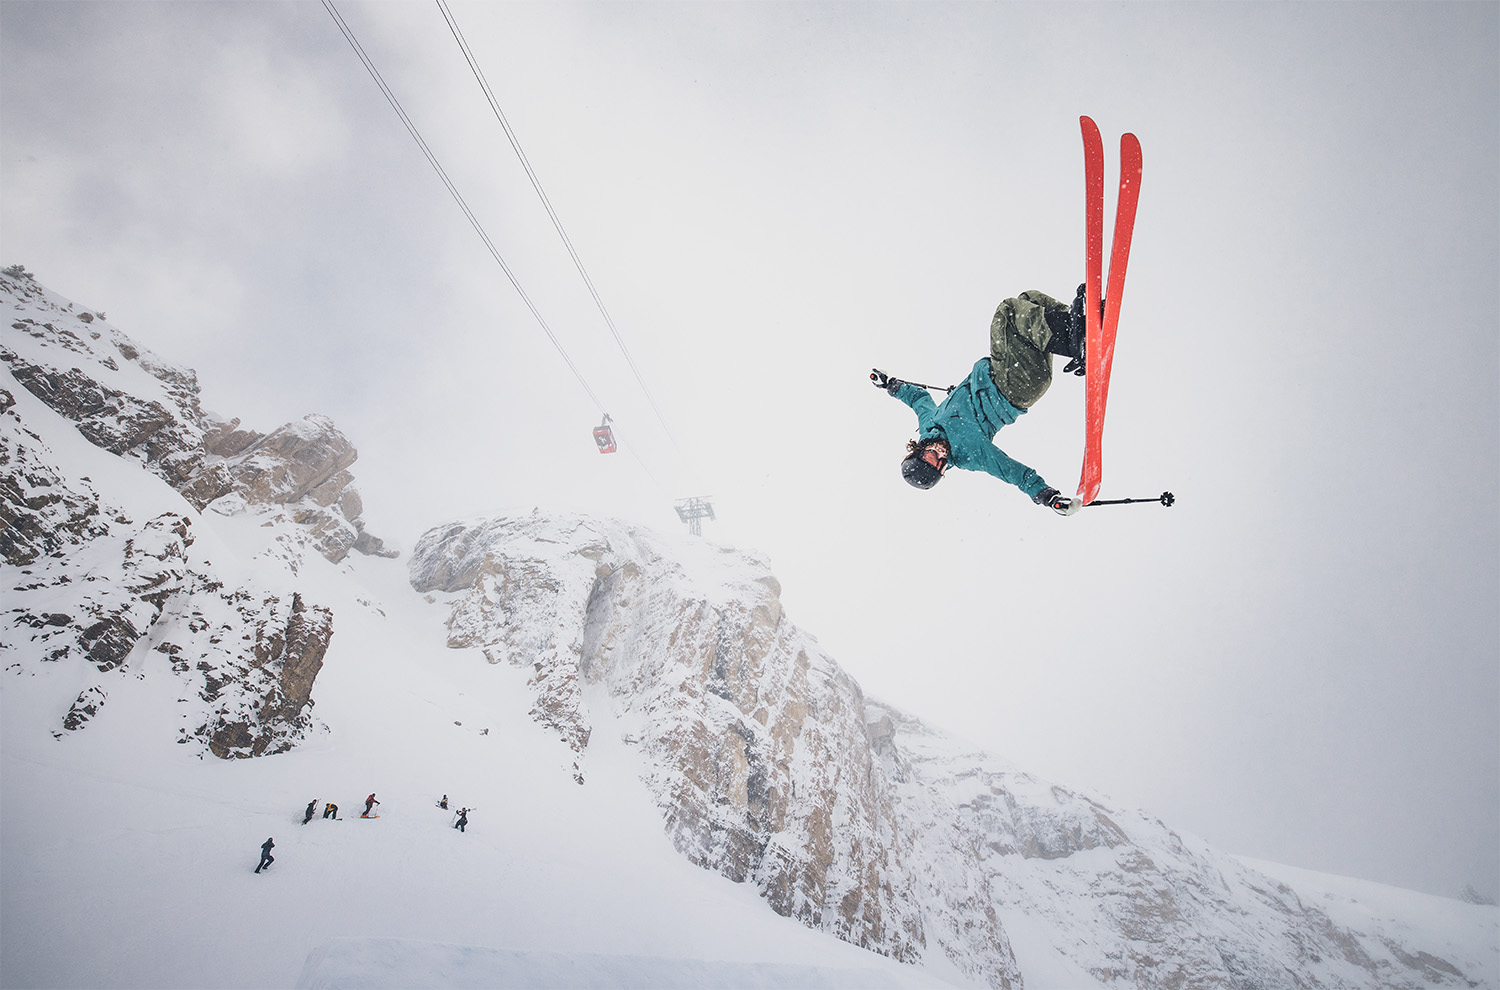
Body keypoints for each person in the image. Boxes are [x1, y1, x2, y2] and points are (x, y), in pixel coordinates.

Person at [874, 285, 1090, 514]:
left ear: (917, 450)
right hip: (1012, 386)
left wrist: (891, 386)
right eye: (940, 465)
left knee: (1029, 300)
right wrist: (1047, 496)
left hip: (1017, 375)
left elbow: (919, 399)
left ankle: (1079, 327)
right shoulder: (969, 453)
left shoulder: (928, 424)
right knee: (1006, 313)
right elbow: (1010, 471)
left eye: (930, 457)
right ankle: (1072, 339)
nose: (940, 455)